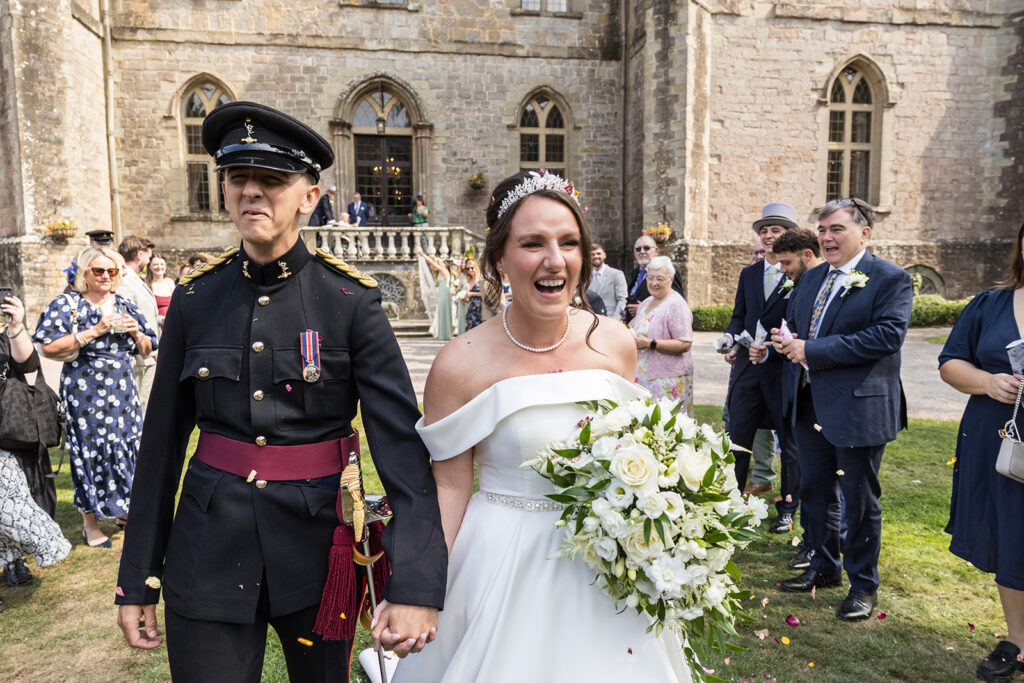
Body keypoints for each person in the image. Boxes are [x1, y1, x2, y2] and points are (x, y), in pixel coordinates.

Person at [113, 102, 446, 682]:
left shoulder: (350, 302)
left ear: (309, 196)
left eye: (271, 179)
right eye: (238, 177)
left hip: (317, 551)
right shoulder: (196, 299)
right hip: (208, 543)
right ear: (224, 191)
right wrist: (137, 576)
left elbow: (401, 452)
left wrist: (415, 583)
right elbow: (161, 445)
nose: (252, 192)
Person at [392, 170, 692, 682]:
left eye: (569, 243)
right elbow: (449, 486)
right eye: (533, 243)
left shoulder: (614, 341)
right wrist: (417, 588)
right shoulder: (460, 363)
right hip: (501, 558)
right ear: (498, 259)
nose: (555, 260)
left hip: (604, 560)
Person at [772, 197, 912, 622]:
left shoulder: (890, 279)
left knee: (859, 501)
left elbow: (886, 337)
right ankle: (823, 565)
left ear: (864, 233)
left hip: (857, 410)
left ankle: (863, 586)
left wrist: (811, 350)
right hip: (808, 403)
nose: (827, 237)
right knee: (815, 491)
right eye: (822, 230)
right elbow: (799, 327)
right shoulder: (812, 278)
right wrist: (784, 342)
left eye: (837, 229)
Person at [938, 218, 1024, 682]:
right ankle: (1018, 641)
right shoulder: (989, 305)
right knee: (1011, 534)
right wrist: (989, 382)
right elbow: (950, 363)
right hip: (999, 439)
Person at [34, 246, 157, 548]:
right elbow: (47, 346)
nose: (105, 276)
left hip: (122, 393)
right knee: (88, 453)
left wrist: (137, 334)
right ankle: (90, 525)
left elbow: (148, 348)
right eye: (98, 270)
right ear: (85, 273)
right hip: (85, 394)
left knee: (127, 448)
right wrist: (94, 331)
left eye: (111, 271)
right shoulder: (68, 304)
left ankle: (124, 511)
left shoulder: (125, 304)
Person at [750, 228, 823, 559]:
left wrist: (803, 346)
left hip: (830, 395)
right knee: (801, 460)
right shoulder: (800, 287)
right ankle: (805, 534)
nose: (781, 270)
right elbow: (792, 333)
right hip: (798, 389)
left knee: (827, 478)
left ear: (807, 255)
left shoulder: (830, 286)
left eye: (786, 263)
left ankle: (823, 544)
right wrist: (773, 347)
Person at [719, 203, 799, 494]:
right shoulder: (749, 274)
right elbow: (739, 317)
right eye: (764, 230)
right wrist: (729, 338)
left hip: (781, 370)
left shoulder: (799, 276)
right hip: (747, 368)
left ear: (789, 235)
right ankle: (730, 501)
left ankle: (788, 504)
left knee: (789, 442)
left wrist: (772, 350)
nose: (768, 235)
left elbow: (800, 326)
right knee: (737, 438)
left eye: (775, 230)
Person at [0, 293, 72, 611]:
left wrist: (16, 327)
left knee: (11, 506)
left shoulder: (4, 336)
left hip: (6, 437)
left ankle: (15, 561)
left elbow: (29, 369)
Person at [629, 255, 695, 414]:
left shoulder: (676, 304)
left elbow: (685, 343)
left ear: (671, 279)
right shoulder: (646, 302)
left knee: (667, 424)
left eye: (660, 279)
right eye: (650, 278)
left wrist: (650, 343)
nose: (654, 283)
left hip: (667, 380)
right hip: (643, 377)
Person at [118, 235, 160, 413]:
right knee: (139, 408)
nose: (149, 260)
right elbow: (123, 317)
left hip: (148, 354)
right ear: (139, 255)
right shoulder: (124, 281)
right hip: (139, 356)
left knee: (147, 406)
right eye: (148, 256)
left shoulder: (134, 279)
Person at [625, 234, 683, 323]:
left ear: (656, 251)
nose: (642, 251)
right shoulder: (635, 273)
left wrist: (644, 309)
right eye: (638, 249)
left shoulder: (667, 272)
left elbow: (676, 304)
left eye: (646, 248)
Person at [418, 251, 454, 341]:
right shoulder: (442, 271)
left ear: (445, 264)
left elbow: (432, 263)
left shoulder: (443, 269)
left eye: (440, 262)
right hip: (442, 292)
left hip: (445, 292)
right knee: (441, 312)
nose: (438, 264)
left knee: (443, 311)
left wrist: (424, 255)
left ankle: (446, 334)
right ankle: (443, 333)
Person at [587, 243, 627, 320]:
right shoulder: (585, 277)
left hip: (611, 319)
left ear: (604, 255)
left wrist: (615, 319)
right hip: (591, 321)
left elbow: (622, 299)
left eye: (598, 253)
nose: (596, 256)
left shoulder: (617, 274)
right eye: (592, 254)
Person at [145, 253, 175, 324]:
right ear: (149, 266)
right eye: (155, 264)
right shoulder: (146, 284)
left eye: (162, 264)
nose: (159, 267)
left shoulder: (170, 282)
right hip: (156, 324)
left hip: (172, 323)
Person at [461, 258, 483, 331]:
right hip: (471, 308)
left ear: (476, 267)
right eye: (467, 269)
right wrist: (463, 299)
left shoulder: (481, 279)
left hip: (480, 309)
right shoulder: (469, 280)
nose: (470, 270)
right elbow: (469, 297)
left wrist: (472, 293)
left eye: (472, 268)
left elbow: (486, 294)